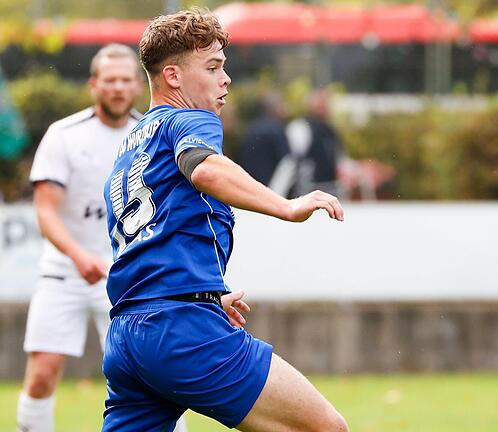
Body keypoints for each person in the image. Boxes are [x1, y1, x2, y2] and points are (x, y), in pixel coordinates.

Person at [101, 8, 348, 432]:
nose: (225, 78)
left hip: (128, 336)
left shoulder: (130, 149)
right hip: (180, 330)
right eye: (213, 67)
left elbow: (151, 241)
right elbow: (205, 168)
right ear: (174, 76)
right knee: (325, 428)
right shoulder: (190, 118)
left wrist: (207, 295)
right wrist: (286, 206)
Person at [15, 44, 149, 432]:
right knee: (42, 374)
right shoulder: (64, 135)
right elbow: (45, 211)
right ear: (94, 85)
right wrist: (78, 256)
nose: (118, 88)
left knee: (149, 378)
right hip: (65, 272)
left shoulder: (151, 136)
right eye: (110, 80)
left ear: (137, 86)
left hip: (130, 280)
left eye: (126, 80)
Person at [237, 92, 290, 185]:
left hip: (251, 184)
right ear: (275, 108)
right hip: (272, 187)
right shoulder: (276, 129)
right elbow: (286, 163)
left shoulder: (251, 128)